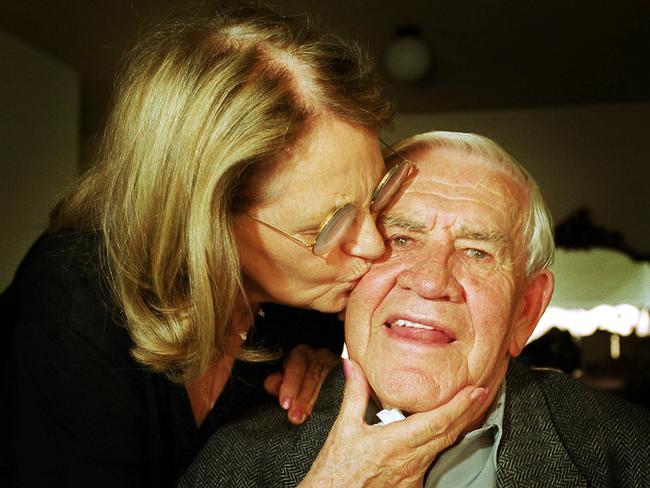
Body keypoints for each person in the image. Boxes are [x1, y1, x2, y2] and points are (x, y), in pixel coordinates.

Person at [1, 5, 407, 487]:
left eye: (375, 197)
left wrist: (319, 360)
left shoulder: (300, 298)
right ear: (209, 224)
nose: (375, 244)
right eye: (331, 226)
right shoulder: (67, 324)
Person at [180, 131, 650, 487]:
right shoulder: (236, 458)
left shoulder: (630, 454)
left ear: (525, 311)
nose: (430, 281)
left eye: (475, 252)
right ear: (349, 279)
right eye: (400, 240)